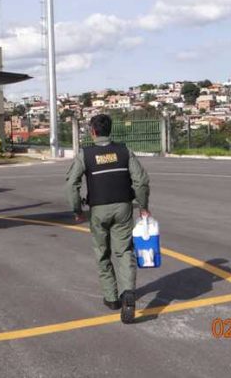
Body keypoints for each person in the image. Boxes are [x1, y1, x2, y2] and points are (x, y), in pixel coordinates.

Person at [65, 114, 150, 324]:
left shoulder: (85, 154)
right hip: (123, 208)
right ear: (109, 130)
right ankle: (128, 292)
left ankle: (111, 298)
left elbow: (71, 184)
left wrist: (77, 210)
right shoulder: (124, 151)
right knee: (124, 251)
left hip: (98, 210)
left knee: (102, 252)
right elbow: (140, 181)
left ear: (93, 131)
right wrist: (143, 206)